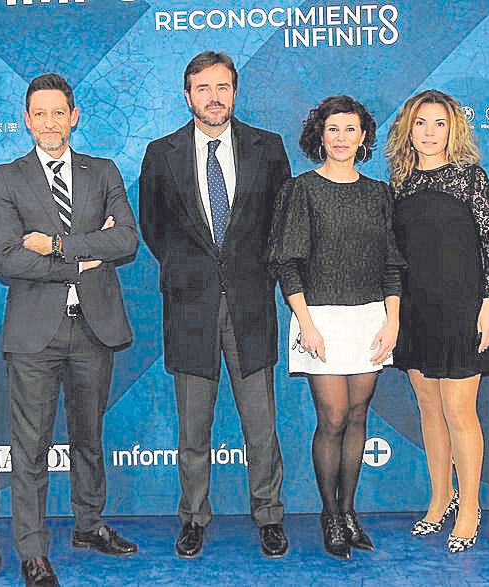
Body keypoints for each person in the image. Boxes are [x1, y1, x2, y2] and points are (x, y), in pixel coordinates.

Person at [138, 51, 292, 559]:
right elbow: (154, 230)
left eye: (222, 87)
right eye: (203, 88)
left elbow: (280, 225)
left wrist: (247, 276)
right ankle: (194, 517)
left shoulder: (267, 149)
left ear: (235, 91)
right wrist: (192, 275)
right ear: (188, 96)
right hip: (189, 309)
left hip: (251, 307)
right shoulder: (160, 154)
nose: (214, 97)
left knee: (261, 425)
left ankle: (269, 515)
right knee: (193, 427)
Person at [0, 73, 140, 587]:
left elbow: (125, 241)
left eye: (59, 112)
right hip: (34, 334)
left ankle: (89, 524)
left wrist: (55, 247)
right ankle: (32, 550)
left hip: (94, 329)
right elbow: (9, 260)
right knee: (29, 449)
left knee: (89, 438)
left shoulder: (103, 171)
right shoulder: (6, 178)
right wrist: (83, 257)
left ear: (73, 117)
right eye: (40, 113)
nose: (50, 122)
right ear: (26, 120)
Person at [267, 95, 404, 559]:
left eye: (350, 129)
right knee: (334, 417)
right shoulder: (301, 189)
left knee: (360, 416)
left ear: (364, 136)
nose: (341, 138)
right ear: (319, 137)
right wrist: (306, 323)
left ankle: (349, 513)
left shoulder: (379, 194)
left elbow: (392, 265)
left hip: (370, 318)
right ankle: (329, 515)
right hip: (318, 316)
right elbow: (286, 262)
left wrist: (393, 321)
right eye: (333, 129)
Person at [384, 89, 489, 553]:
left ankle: (471, 506)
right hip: (415, 310)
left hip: (463, 309)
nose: (429, 132)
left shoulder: (470, 178)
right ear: (408, 131)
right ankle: (440, 499)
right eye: (420, 123)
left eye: (438, 123)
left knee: (459, 411)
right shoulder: (401, 182)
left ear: (453, 128)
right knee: (429, 410)